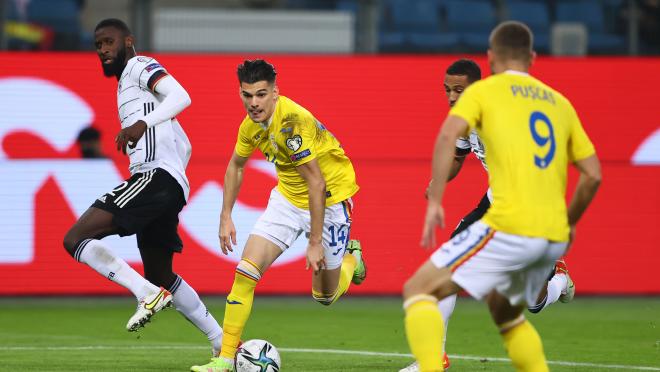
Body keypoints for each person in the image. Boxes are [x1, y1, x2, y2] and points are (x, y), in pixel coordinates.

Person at [403, 21, 601, 372]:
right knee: (511, 308)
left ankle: (431, 365)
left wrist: (435, 202)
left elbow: (447, 136)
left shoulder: (486, 94)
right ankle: (558, 283)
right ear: (534, 57)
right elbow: (593, 175)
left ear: (491, 59)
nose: (452, 97)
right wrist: (568, 224)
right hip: (550, 224)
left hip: (509, 215)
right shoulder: (559, 103)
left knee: (421, 289)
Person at [191, 59, 366, 372]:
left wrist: (314, 242)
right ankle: (225, 358)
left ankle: (351, 259)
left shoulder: (292, 125)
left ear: (275, 93)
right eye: (247, 95)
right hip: (287, 199)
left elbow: (317, 182)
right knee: (245, 271)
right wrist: (225, 215)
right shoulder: (250, 127)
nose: (254, 103)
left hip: (330, 202)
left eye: (261, 94)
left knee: (324, 296)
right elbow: (236, 165)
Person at [62, 18, 224, 357]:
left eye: (109, 41)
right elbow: (185, 143)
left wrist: (142, 124)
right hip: (169, 184)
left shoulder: (138, 65)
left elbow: (182, 95)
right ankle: (223, 343)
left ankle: (144, 293)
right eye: (98, 46)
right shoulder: (125, 86)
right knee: (161, 273)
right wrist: (176, 169)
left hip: (153, 177)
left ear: (129, 41)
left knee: (75, 238)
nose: (103, 50)